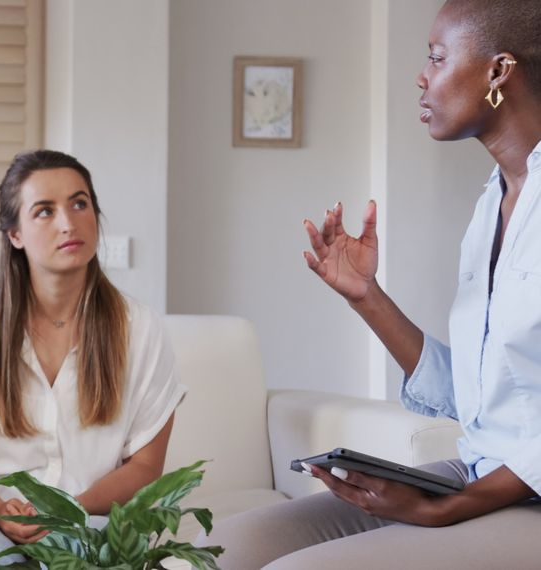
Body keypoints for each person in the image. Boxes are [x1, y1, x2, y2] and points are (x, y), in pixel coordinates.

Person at [200, 1, 541, 567]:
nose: (422, 76)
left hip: (524, 494)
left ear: (498, 72)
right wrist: (366, 296)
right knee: (225, 550)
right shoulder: (493, 203)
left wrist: (450, 507)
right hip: (482, 470)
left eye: (436, 57)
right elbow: (483, 396)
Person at [0, 150, 187, 569]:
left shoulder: (140, 327)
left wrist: (68, 510)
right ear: (15, 234)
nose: (68, 223)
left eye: (79, 203)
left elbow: (146, 463)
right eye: (44, 211)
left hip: (92, 516)